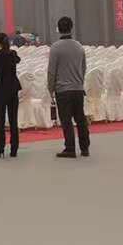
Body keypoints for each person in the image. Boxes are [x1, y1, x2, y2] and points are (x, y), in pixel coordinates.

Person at [47, 16, 89, 159]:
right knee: (80, 119)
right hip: (78, 88)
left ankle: (70, 148)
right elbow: (83, 68)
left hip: (63, 90)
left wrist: (50, 88)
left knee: (66, 120)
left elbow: (51, 71)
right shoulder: (79, 46)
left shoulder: (55, 48)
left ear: (58, 29)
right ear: (71, 28)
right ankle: (85, 148)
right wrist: (79, 82)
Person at [0, 32, 21, 158]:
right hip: (13, 88)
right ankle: (14, 149)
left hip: (1, 89)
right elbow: (17, 60)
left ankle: (0, 149)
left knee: (0, 121)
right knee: (13, 120)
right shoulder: (12, 54)